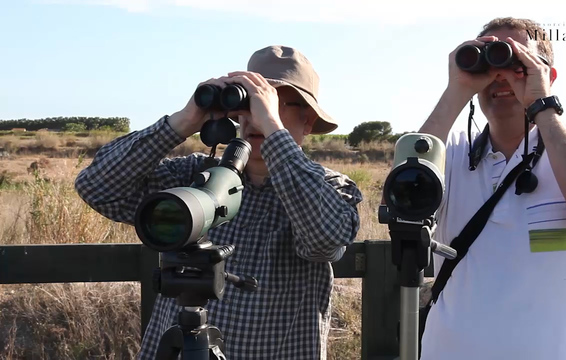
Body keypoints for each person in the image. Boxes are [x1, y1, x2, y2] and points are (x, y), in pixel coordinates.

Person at [74, 45, 363, 360]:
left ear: (307, 121)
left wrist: (272, 127)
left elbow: (324, 240)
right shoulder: (195, 176)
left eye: (274, 102)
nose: (256, 115)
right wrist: (182, 122)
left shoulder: (333, 188)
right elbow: (97, 187)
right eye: (250, 102)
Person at [417, 17, 566, 360]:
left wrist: (543, 109)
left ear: (549, 75)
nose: (500, 75)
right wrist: (456, 90)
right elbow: (399, 204)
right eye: (488, 61)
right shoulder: (452, 150)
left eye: (517, 63)